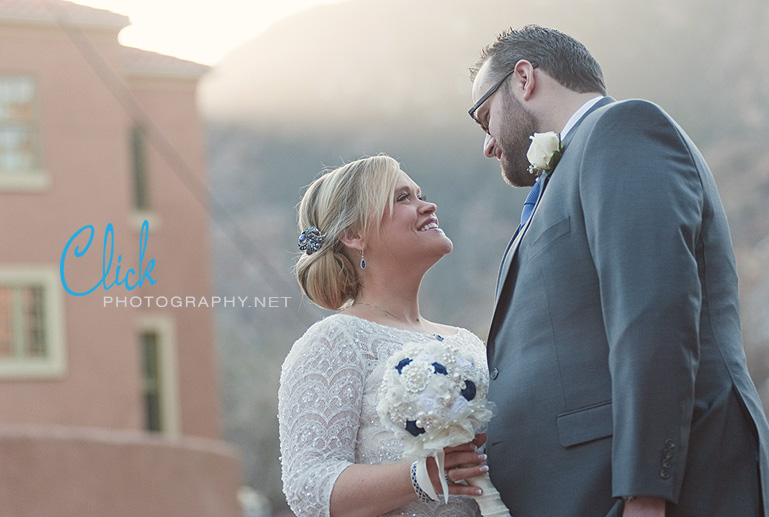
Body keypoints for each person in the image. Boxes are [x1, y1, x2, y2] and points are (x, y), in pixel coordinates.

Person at [468, 24, 769, 517]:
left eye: (485, 120)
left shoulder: (622, 130)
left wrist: (644, 492)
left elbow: (653, 313)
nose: (487, 146)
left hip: (639, 491)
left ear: (524, 79)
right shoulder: (565, 173)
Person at [278, 155, 489, 517]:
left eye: (419, 194)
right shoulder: (336, 341)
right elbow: (308, 488)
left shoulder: (468, 342)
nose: (428, 205)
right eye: (403, 198)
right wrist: (421, 477)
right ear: (354, 234)